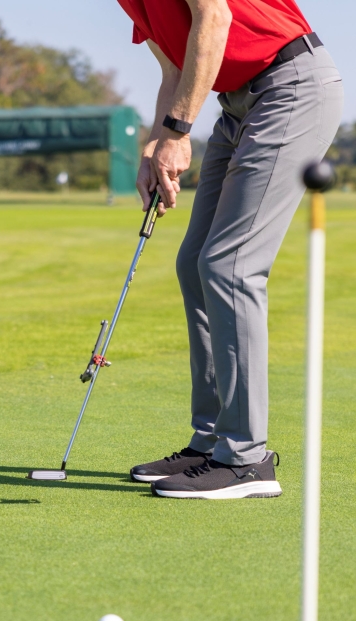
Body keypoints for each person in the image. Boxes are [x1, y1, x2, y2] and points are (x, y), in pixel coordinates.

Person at [117, 0, 343, 499]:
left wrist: (177, 133)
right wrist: (155, 147)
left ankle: (245, 460)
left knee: (230, 266)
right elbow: (175, 67)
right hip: (237, 105)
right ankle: (211, 443)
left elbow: (214, 19)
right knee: (194, 264)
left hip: (291, 86)